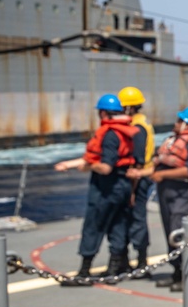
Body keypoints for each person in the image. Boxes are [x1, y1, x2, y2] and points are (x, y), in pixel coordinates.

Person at [54, 94, 137, 279]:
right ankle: (115, 269)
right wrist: (70, 164)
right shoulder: (124, 132)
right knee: (118, 226)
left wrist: (88, 166)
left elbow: (105, 167)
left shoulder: (109, 135)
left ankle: (84, 271)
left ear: (102, 113)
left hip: (106, 188)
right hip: (123, 184)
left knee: (94, 226)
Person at [134, 106, 188, 291]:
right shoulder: (172, 141)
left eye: (180, 121)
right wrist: (140, 173)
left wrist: (163, 176)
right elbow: (159, 165)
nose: (176, 124)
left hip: (186, 193)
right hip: (168, 193)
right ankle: (177, 273)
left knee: (182, 234)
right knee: (171, 232)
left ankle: (187, 276)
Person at [117, 86, 154, 274]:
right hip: (137, 178)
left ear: (130, 108)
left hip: (138, 180)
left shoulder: (137, 129)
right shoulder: (139, 124)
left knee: (137, 218)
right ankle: (127, 260)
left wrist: (131, 190)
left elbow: (138, 161)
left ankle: (141, 262)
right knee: (128, 218)